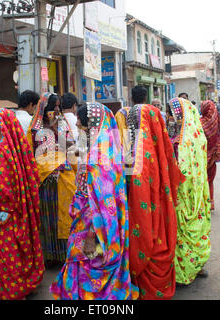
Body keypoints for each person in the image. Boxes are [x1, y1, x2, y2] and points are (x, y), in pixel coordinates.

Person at [51, 102, 138, 300]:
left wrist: (90, 236)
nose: (77, 125)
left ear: (91, 125)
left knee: (85, 262)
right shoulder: (104, 149)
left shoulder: (98, 158)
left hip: (92, 227)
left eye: (80, 123)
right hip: (95, 223)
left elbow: (97, 203)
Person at [115, 86, 185, 300]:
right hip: (156, 206)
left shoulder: (133, 149)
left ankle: (140, 278)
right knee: (158, 229)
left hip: (140, 212)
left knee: (145, 227)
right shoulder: (158, 150)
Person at [0, 108, 44, 300]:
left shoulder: (0, 148)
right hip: (20, 208)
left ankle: (11, 290)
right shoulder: (18, 146)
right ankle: (26, 284)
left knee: (4, 250)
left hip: (3, 210)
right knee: (20, 247)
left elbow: (0, 185)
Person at [167, 97, 211, 285]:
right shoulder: (196, 135)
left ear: (178, 114)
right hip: (198, 192)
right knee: (196, 227)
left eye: (170, 113)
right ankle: (196, 264)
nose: (168, 116)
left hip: (183, 193)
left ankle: (184, 270)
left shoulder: (180, 141)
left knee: (182, 229)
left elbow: (179, 170)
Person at [28, 93, 76, 266]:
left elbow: (70, 145)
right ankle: (49, 256)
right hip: (45, 179)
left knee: (63, 216)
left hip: (63, 177)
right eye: (53, 106)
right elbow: (33, 152)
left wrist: (57, 130)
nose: (56, 109)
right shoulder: (36, 129)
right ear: (44, 108)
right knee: (48, 217)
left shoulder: (62, 124)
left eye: (58, 106)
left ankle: (64, 254)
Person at [200, 100, 220, 211]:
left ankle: (203, 203)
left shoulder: (199, 122)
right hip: (213, 156)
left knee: (202, 180)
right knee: (210, 180)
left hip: (201, 156)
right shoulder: (216, 121)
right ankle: (210, 202)